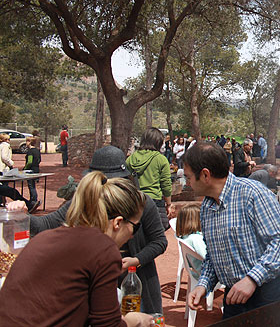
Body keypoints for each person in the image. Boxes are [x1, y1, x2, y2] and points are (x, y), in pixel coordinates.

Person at [7, 145, 168, 314]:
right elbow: (45, 225)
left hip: (134, 282)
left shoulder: (141, 203)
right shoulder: (84, 200)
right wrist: (21, 215)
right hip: (95, 281)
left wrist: (135, 260)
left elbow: (159, 241)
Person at [0, 171, 153, 327]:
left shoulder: (47, 238)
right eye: (136, 227)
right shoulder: (102, 249)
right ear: (118, 223)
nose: (133, 236)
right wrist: (134, 321)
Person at [184, 143, 280, 319]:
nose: (187, 183)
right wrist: (203, 284)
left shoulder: (252, 194)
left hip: (270, 296)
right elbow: (214, 256)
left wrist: (252, 279)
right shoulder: (207, 206)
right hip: (234, 299)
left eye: (189, 177)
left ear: (205, 175)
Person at [127, 127, 173, 230]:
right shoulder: (161, 159)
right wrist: (168, 204)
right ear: (158, 142)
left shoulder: (130, 159)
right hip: (155, 202)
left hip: (136, 202)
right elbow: (166, 185)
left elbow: (126, 181)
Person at [176, 202, 207, 272]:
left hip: (196, 272)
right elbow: (207, 258)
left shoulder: (185, 237)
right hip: (206, 275)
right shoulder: (196, 239)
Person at [24, 136, 42, 205]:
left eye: (27, 141)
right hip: (36, 169)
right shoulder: (37, 151)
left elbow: (29, 162)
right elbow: (39, 160)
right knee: (33, 185)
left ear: (29, 142)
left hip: (30, 170)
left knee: (31, 186)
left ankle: (33, 200)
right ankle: (33, 199)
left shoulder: (30, 152)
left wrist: (25, 168)